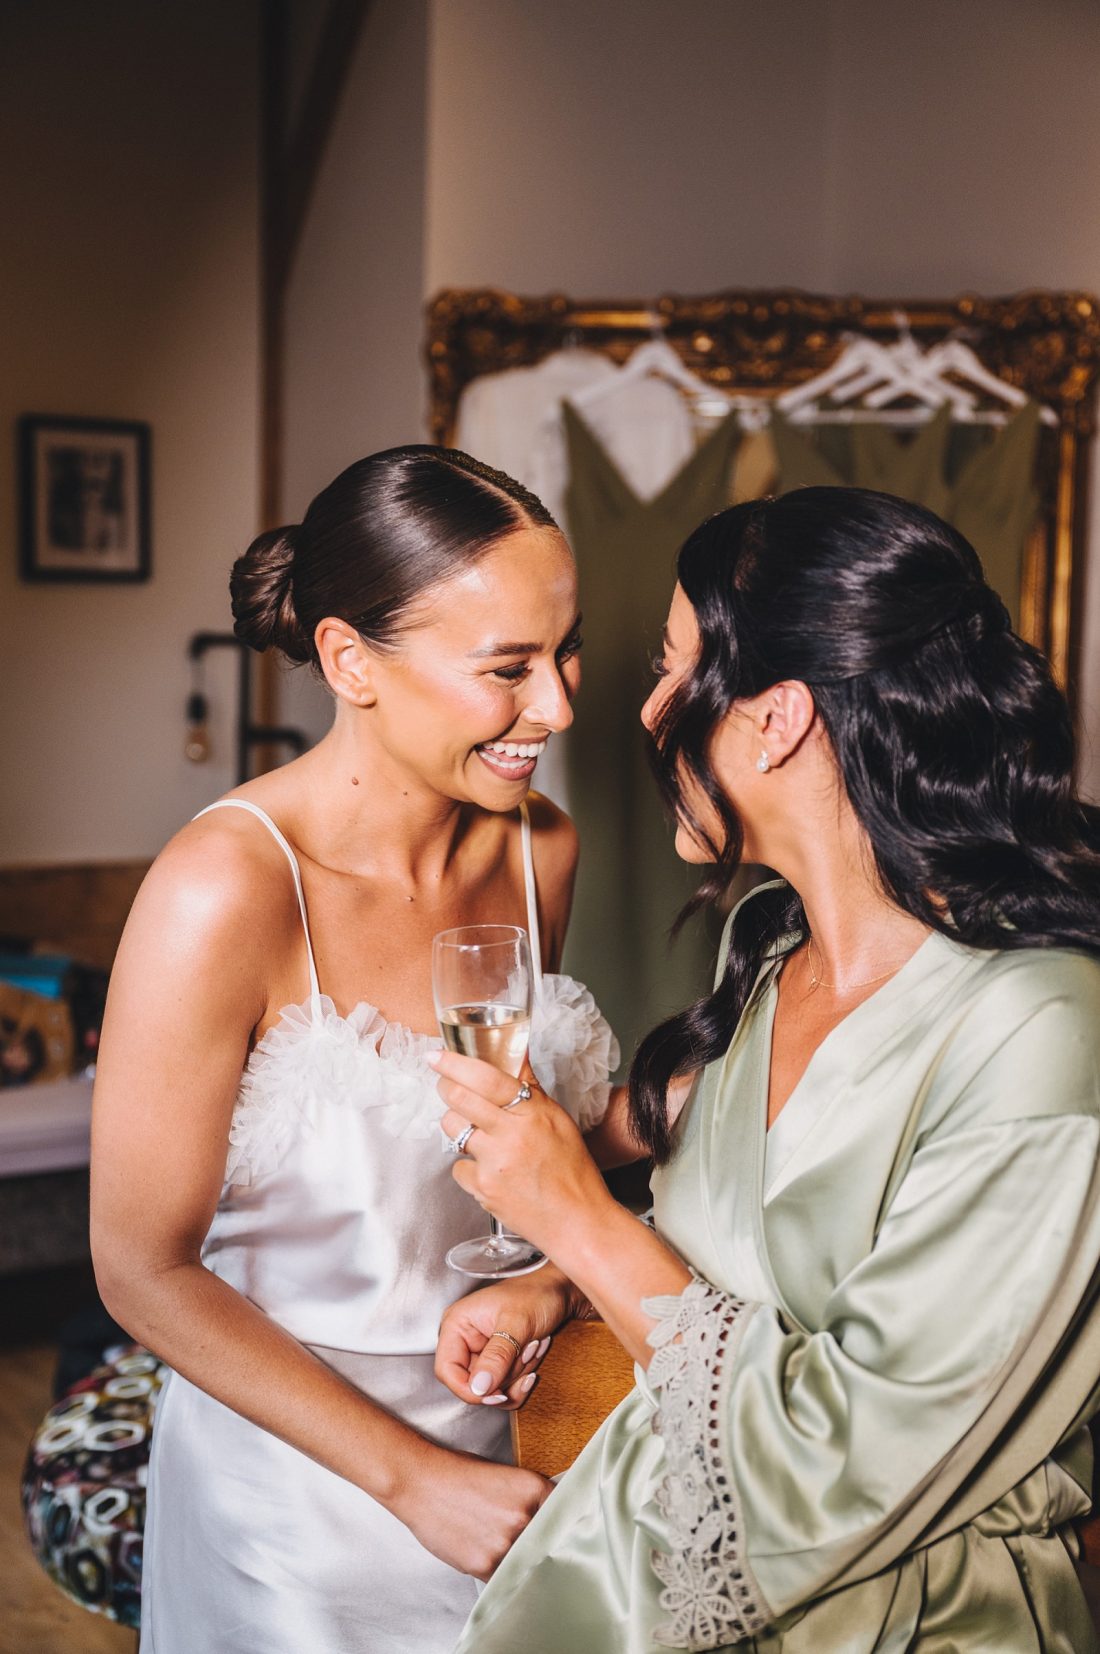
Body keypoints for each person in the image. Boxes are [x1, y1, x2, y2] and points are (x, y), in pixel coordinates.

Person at [433, 487, 1100, 1653]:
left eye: (669, 669)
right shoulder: (769, 942)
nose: (643, 711)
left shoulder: (1037, 1031)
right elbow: (744, 1235)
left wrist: (577, 1223)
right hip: (637, 1570)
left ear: (776, 717)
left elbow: (845, 1461)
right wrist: (555, 1285)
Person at [89, 446, 620, 1654]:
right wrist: (409, 1481)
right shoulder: (219, 889)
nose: (557, 707)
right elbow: (138, 1268)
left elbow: (505, 1161)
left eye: (565, 649)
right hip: (296, 1508)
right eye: (507, 669)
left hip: (513, 1453)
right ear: (347, 660)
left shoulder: (539, 850)